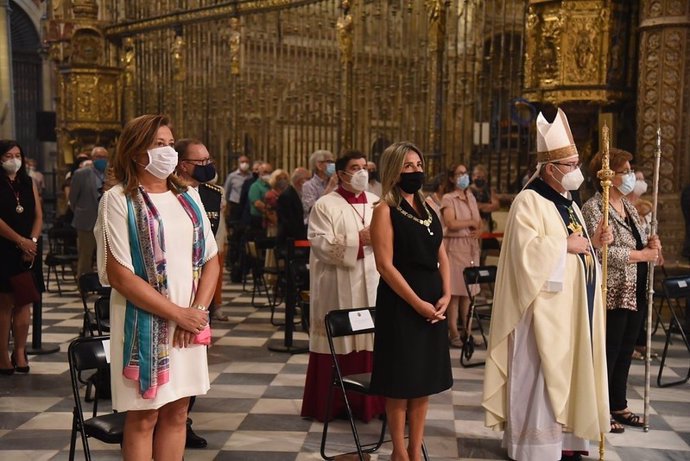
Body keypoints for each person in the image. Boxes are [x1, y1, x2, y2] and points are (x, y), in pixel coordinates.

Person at [483, 109, 611, 461]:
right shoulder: (529, 200)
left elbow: (579, 245)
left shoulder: (569, 202)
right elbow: (523, 254)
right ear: (550, 168)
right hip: (541, 310)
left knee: (572, 370)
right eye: (569, 165)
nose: (576, 170)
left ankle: (568, 440)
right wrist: (564, 247)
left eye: (575, 162)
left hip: (572, 306)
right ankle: (535, 446)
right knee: (540, 375)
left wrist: (594, 242)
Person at [95, 115, 219, 460]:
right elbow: (120, 275)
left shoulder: (189, 196)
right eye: (158, 145)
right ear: (136, 152)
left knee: (179, 412)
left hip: (189, 320)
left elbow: (211, 260)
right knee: (145, 416)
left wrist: (197, 313)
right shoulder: (118, 200)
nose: (167, 151)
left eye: (170, 144)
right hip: (145, 319)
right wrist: (177, 313)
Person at [370, 141, 453, 461]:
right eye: (408, 166)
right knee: (401, 380)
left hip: (433, 299)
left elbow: (441, 254)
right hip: (401, 302)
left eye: (418, 165)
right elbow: (384, 265)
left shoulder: (428, 208)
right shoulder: (384, 210)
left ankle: (416, 450)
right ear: (394, 170)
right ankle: (399, 451)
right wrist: (417, 303)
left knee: (423, 381)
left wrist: (446, 294)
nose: (416, 171)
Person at [582, 147, 662, 434]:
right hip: (613, 288)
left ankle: (619, 403)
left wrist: (651, 246)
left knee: (627, 348)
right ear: (607, 175)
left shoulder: (627, 205)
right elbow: (601, 251)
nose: (630, 175)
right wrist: (641, 256)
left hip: (636, 285)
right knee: (610, 350)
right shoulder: (594, 207)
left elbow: (637, 241)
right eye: (625, 171)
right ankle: (601, 408)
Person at [300, 150, 384, 423]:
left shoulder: (377, 203)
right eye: (355, 167)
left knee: (371, 338)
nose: (361, 172)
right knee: (338, 339)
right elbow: (321, 244)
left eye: (364, 167)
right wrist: (358, 239)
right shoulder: (325, 205)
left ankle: (371, 404)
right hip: (336, 285)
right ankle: (332, 404)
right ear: (341, 174)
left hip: (372, 280)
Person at [0, 140, 42, 375]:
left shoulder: (28, 182)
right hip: (5, 247)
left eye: (17, 155)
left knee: (25, 301)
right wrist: (19, 240)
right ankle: (2, 356)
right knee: (5, 304)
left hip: (27, 251)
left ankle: (20, 352)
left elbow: (38, 215)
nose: (14, 159)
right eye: (8, 155)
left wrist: (32, 242)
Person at [440, 163, 481, 348]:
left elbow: (478, 222)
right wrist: (471, 222)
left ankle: (468, 331)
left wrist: (478, 229)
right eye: (460, 174)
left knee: (468, 293)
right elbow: (450, 222)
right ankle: (453, 332)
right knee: (455, 292)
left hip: (470, 247)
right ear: (452, 178)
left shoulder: (470, 196)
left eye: (466, 173)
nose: (464, 176)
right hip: (455, 246)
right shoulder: (449, 198)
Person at [70, 146, 109, 277]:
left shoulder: (111, 174)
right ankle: (83, 287)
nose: (102, 160)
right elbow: (73, 198)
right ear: (92, 159)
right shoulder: (81, 174)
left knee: (105, 258)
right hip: (86, 221)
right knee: (85, 257)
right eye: (99, 157)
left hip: (107, 223)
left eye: (104, 157)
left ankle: (103, 288)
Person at [223, 154, 251, 275]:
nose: (244, 164)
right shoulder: (232, 176)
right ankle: (231, 262)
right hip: (235, 207)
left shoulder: (250, 176)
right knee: (234, 236)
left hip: (246, 207)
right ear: (238, 163)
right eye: (242, 162)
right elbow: (226, 192)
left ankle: (244, 262)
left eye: (246, 161)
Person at [469, 164, 500, 262]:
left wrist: (481, 207)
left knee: (484, 255)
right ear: (473, 176)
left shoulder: (488, 190)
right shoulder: (469, 191)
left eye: (482, 177)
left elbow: (496, 205)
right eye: (478, 176)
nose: (480, 179)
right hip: (474, 226)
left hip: (487, 226)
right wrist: (487, 206)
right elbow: (473, 206)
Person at [276, 167, 310, 248]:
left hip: (298, 238)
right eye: (308, 179)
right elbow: (289, 223)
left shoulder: (298, 193)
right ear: (300, 181)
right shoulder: (287, 196)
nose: (310, 182)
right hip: (290, 241)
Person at [301, 149, 337, 218]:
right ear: (319, 165)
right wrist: (330, 187)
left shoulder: (336, 183)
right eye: (329, 162)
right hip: (315, 224)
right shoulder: (308, 186)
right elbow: (313, 209)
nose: (333, 165)